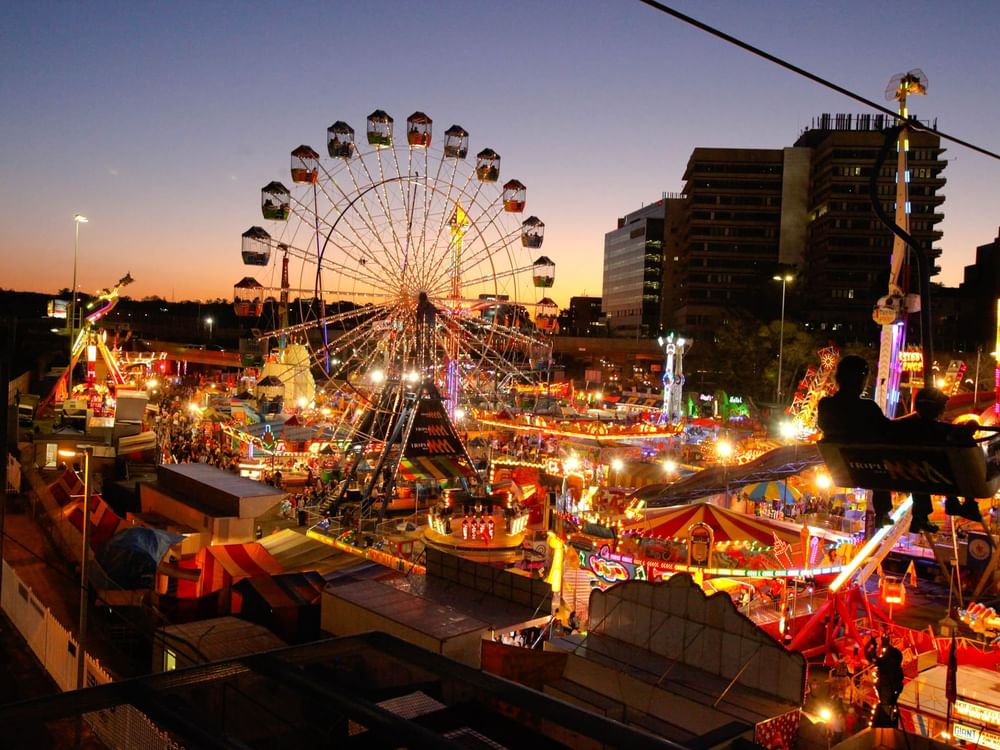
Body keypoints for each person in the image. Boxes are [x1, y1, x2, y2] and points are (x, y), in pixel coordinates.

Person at [817, 356, 894, 527]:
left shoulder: (826, 405)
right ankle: (883, 510)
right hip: (865, 465)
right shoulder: (868, 408)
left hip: (840, 464)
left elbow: (823, 425)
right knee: (885, 463)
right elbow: (888, 430)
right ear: (861, 380)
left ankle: (883, 512)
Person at [895, 387, 982, 526]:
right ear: (935, 409)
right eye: (942, 406)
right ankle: (968, 504)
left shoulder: (909, 428)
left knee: (928, 464)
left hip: (915, 473)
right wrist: (970, 427)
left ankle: (924, 514)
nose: (944, 410)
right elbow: (964, 433)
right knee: (962, 456)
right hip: (938, 476)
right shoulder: (941, 430)